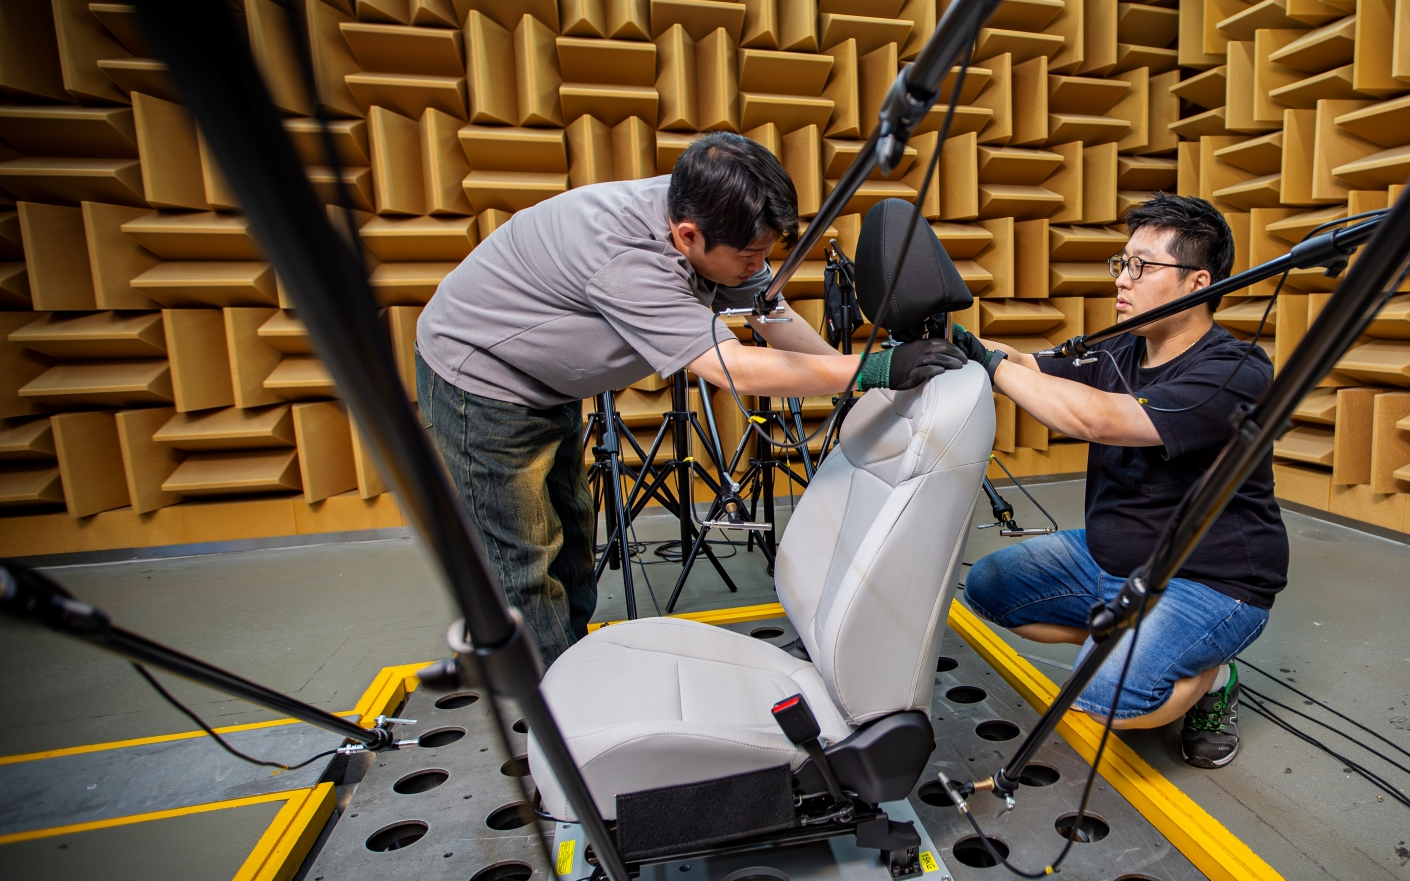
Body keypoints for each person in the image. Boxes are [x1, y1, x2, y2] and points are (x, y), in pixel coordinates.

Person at [416, 133, 965, 666]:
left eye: (767, 250)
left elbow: (770, 316)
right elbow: (734, 368)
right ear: (687, 237)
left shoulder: (714, 211)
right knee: (524, 557)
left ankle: (568, 659)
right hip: (481, 382)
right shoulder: (628, 258)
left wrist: (865, 384)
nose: (759, 264)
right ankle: (546, 697)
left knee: (574, 535)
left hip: (546, 385)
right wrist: (875, 367)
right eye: (750, 255)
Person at [953, 194, 1288, 768]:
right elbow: (1028, 364)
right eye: (1121, 263)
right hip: (1112, 561)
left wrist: (992, 367)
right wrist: (966, 345)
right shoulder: (1119, 349)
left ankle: (1213, 679)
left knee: (1108, 701)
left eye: (1141, 266)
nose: (1121, 279)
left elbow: (1101, 420)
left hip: (1209, 580)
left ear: (1196, 283)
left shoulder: (1235, 371)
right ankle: (1127, 646)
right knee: (989, 586)